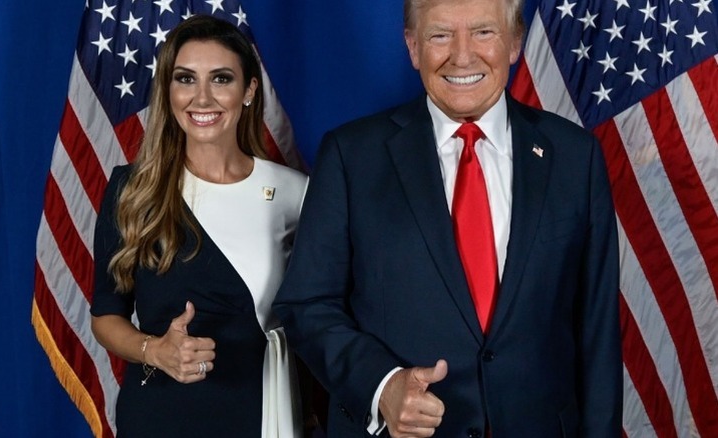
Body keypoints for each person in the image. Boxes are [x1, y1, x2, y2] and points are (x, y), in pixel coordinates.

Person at [273, 0, 622, 436]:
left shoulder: (575, 157)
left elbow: (598, 331)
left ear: (514, 42)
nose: (461, 55)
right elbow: (306, 305)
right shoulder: (350, 157)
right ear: (413, 46)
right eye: (440, 35)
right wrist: (382, 386)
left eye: (483, 32)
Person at [90, 15, 308, 437]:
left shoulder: (296, 192)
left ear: (248, 91)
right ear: (168, 91)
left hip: (263, 406)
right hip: (162, 414)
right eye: (186, 79)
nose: (201, 98)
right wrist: (155, 351)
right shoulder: (132, 190)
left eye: (221, 79)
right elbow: (105, 316)